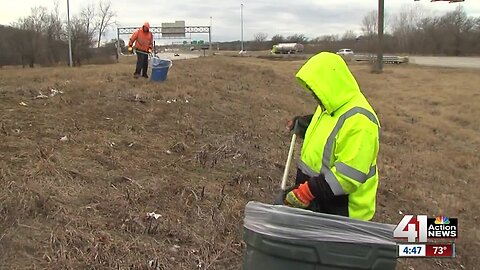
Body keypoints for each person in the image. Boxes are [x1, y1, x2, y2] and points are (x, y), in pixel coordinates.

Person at [283, 52, 380, 221]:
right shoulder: (330, 105)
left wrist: (307, 192)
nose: (313, 95)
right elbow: (328, 131)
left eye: (315, 89)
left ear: (330, 83)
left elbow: (347, 177)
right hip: (321, 200)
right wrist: (303, 123)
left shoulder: (361, 122)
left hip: (343, 212)